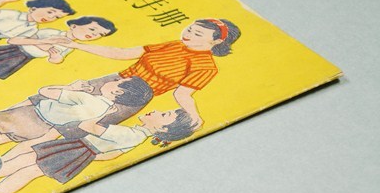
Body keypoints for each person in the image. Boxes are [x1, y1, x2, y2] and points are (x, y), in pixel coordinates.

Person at [0, 106, 196, 193]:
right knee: (23, 164)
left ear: (163, 129)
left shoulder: (132, 134)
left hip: (77, 148)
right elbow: (113, 154)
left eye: (164, 115)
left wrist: (104, 114)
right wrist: (89, 156)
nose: (156, 111)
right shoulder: (136, 135)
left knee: (23, 168)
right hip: (78, 152)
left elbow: (91, 127)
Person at [0, 76, 153, 174]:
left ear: (118, 92)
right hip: (39, 128)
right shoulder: (105, 109)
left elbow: (45, 90)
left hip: (30, 116)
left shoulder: (88, 98)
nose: (109, 82)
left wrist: (71, 87)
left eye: (117, 83)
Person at [39, 18, 241, 130]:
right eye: (189, 29)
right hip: (114, 79)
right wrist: (76, 45)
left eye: (197, 34)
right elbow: (122, 53)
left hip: (130, 98)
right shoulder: (173, 45)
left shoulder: (206, 66)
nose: (187, 35)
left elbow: (182, 94)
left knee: (74, 126)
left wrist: (194, 115)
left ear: (217, 41)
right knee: (49, 99)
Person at [0, 16, 117, 83]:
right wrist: (43, 42)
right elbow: (14, 40)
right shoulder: (51, 32)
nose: (93, 35)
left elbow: (56, 60)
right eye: (92, 29)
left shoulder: (70, 46)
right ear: (74, 25)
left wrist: (55, 56)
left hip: (21, 59)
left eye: (99, 34)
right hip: (10, 50)